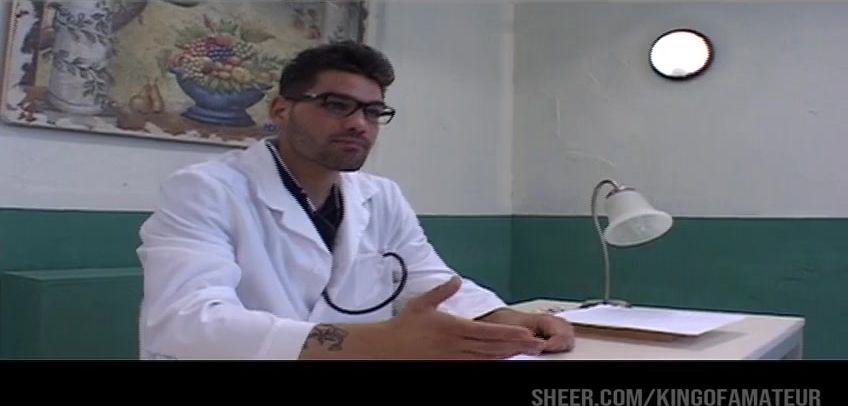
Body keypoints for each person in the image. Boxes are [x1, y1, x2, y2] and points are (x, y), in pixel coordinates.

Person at [137, 40, 575, 360]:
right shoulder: (205, 190)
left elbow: (428, 281)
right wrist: (380, 343)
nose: (359, 124)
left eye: (372, 111)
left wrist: (501, 318)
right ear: (280, 110)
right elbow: (186, 323)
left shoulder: (380, 196)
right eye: (336, 105)